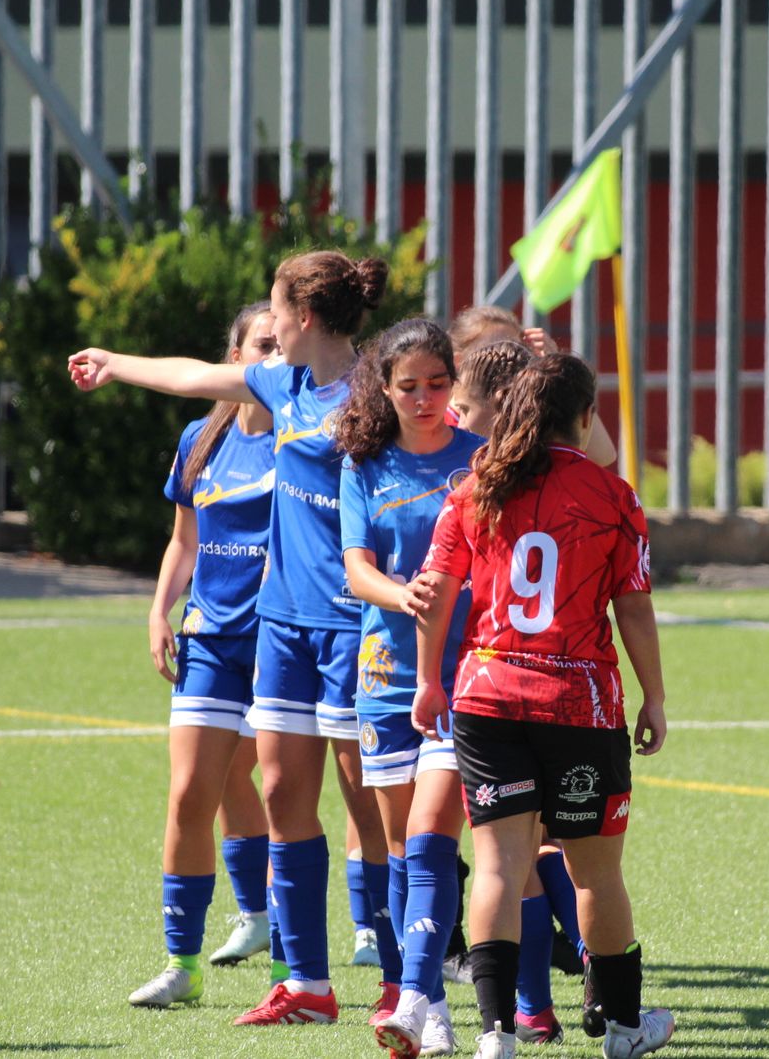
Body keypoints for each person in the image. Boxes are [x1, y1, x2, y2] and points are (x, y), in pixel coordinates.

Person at [69, 251, 394, 1028]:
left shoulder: (375, 393)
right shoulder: (283, 385)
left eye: (277, 310)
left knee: (366, 804)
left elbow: (438, 459)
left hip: (351, 624)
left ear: (304, 317)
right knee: (282, 793)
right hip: (282, 624)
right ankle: (306, 984)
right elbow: (191, 376)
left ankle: (400, 976)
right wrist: (115, 362)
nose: (269, 324)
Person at [411, 353, 676, 1059]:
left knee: (497, 866)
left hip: (486, 697)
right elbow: (635, 609)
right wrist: (653, 694)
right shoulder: (612, 495)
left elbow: (435, 589)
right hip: (578, 704)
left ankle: (495, 1035)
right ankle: (623, 1029)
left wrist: (426, 680)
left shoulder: (475, 488)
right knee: (595, 872)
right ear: (585, 418)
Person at [334, 318, 486, 1058]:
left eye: (437, 384)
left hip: (466, 677)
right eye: (409, 387)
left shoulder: (481, 460)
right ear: (385, 391)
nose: (425, 399)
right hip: (385, 676)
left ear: (453, 382)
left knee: (431, 839)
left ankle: (424, 997)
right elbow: (355, 568)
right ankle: (415, 1000)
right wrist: (406, 596)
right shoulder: (364, 465)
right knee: (398, 847)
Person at [127, 303, 278, 1008]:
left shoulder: (307, 435)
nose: (275, 357)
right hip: (212, 637)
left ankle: (310, 958)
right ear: (234, 354)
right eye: (262, 345)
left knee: (280, 791)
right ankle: (180, 964)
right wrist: (161, 609)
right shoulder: (201, 437)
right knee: (192, 792)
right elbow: (184, 540)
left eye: (285, 344)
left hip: (285, 639)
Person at [447, 305, 618, 469]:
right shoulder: (436, 418)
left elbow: (602, 456)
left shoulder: (529, 413)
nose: (507, 356)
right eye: (492, 350)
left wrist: (556, 368)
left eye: (518, 348)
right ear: (458, 362)